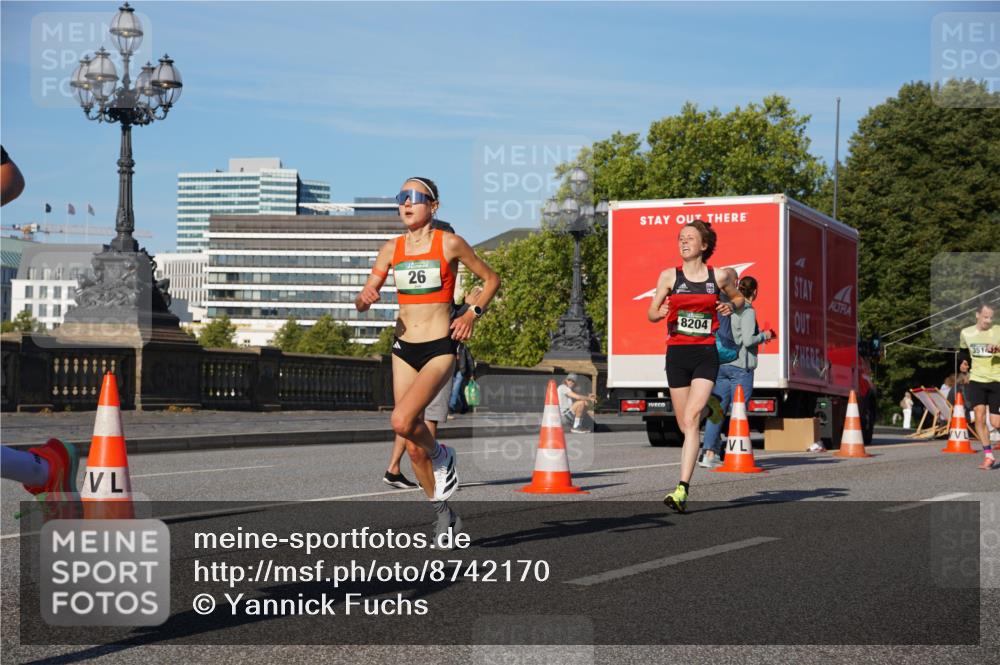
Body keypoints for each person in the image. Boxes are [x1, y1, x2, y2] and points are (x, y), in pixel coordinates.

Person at [355, 177, 500, 542]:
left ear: (433, 206)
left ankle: (443, 453)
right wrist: (365, 296)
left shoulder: (448, 243)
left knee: (401, 419)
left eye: (415, 197)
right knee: (413, 444)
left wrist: (470, 314)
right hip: (404, 347)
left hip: (439, 347)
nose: (406, 203)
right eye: (401, 197)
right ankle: (444, 514)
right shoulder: (391, 249)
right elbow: (361, 301)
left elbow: (491, 279)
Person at [648, 220, 744, 512]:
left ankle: (682, 488)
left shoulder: (719, 276)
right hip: (676, 355)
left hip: (705, 354)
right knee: (684, 423)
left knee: (690, 421)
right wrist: (658, 311)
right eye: (680, 238)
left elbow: (740, 298)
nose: (683, 242)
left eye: (690, 238)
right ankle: (709, 406)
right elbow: (651, 312)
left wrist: (732, 305)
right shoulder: (669, 276)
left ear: (704, 245)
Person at [699, 275, 773, 467]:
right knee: (738, 411)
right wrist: (765, 335)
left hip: (722, 364)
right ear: (755, 292)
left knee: (717, 410)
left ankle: (709, 453)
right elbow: (748, 341)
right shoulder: (747, 310)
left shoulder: (727, 307)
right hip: (740, 367)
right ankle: (734, 452)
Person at [959, 300, 1000, 470]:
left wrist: (997, 350)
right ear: (977, 315)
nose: (988, 321)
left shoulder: (998, 331)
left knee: (996, 423)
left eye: (990, 318)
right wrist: (962, 365)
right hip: (976, 379)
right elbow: (963, 353)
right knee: (979, 415)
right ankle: (989, 456)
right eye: (985, 317)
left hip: (997, 379)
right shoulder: (966, 333)